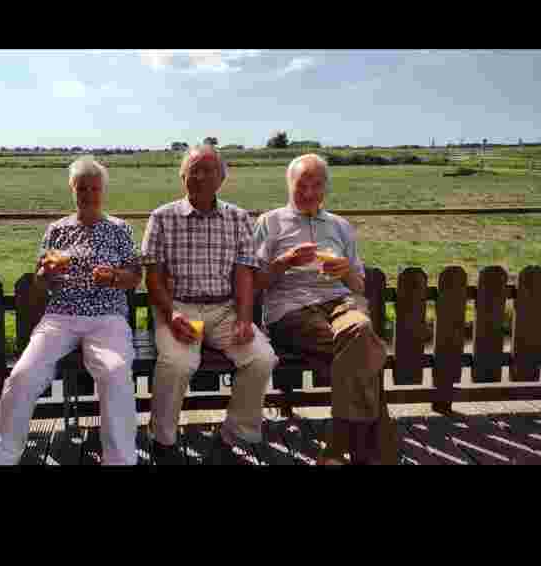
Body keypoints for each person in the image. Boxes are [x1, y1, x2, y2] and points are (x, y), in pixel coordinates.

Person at [0, 157, 142, 466]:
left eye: (94, 187)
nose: (87, 193)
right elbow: (41, 281)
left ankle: (121, 461)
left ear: (103, 190)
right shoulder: (57, 230)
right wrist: (46, 274)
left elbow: (135, 277)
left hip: (107, 317)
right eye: (81, 187)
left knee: (115, 374)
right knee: (22, 376)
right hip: (60, 316)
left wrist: (113, 276)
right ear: (73, 190)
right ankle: (2, 459)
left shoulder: (119, 229)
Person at [253, 154, 399, 465]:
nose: (308, 193)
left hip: (340, 302)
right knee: (366, 354)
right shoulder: (269, 222)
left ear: (326, 188)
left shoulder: (340, 226)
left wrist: (345, 271)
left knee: (360, 333)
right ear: (288, 185)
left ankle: (336, 449)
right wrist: (285, 262)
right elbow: (254, 282)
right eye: (301, 185)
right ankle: (370, 455)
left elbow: (359, 286)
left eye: (316, 185)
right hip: (291, 309)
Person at [141, 144, 278, 464]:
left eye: (209, 170)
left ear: (222, 178)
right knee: (178, 363)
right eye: (194, 170)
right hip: (178, 308)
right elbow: (153, 278)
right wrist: (171, 314)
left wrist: (245, 319)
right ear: (182, 177)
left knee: (261, 358)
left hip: (224, 310)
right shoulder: (162, 217)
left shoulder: (238, 217)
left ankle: (232, 436)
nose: (201, 176)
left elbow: (244, 273)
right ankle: (163, 440)